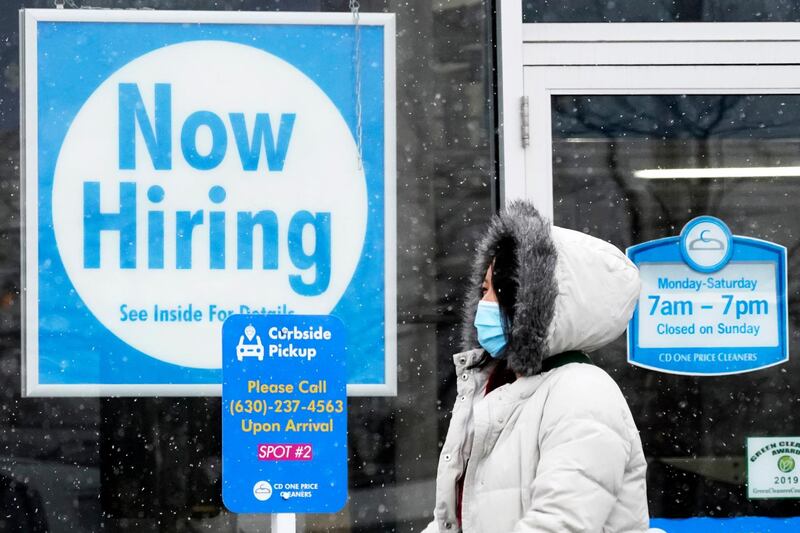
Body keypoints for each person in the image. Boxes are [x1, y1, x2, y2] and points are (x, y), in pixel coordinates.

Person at [421, 200, 662, 533]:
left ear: (529, 302)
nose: (482, 304)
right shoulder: (500, 389)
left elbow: (560, 523)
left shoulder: (582, 394)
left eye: (495, 291)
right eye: (482, 290)